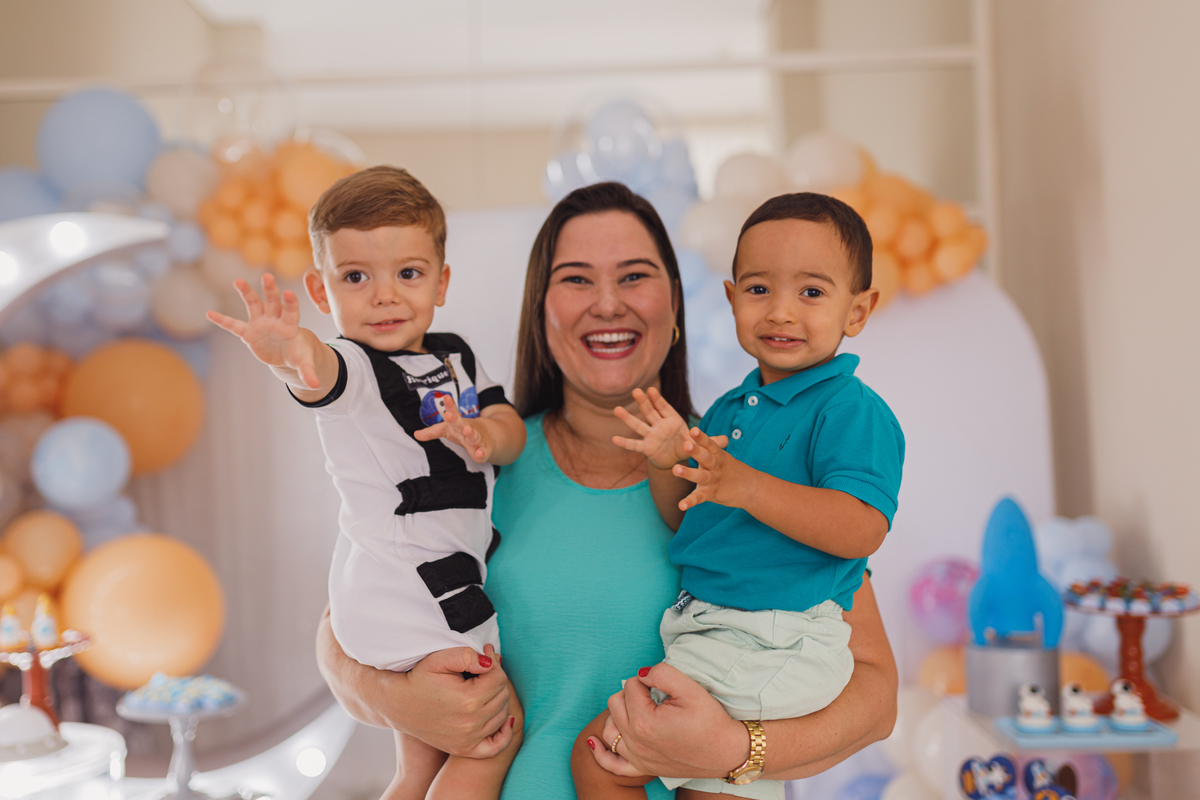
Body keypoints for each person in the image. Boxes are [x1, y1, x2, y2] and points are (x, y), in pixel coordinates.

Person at [315, 182, 901, 799]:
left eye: (634, 276)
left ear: (676, 304)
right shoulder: (478, 451)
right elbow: (340, 626)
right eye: (575, 279)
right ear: (541, 310)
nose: (607, 304)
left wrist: (738, 750)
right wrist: (398, 700)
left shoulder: (739, 468)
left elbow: (875, 693)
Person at [207, 166, 526, 800]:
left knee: (418, 767)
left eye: (407, 273)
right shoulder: (355, 366)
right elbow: (320, 376)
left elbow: (509, 425)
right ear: (322, 292)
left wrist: (486, 433)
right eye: (356, 277)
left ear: (441, 280)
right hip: (416, 587)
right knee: (495, 729)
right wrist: (292, 353)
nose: (383, 296)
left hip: (400, 580)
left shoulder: (455, 355)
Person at [576, 193, 904, 800]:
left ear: (857, 311)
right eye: (758, 290)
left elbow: (862, 529)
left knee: (606, 755)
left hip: (774, 635)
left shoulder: (849, 410)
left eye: (811, 292)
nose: (781, 311)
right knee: (608, 758)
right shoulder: (731, 408)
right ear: (730, 299)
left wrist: (743, 483)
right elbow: (688, 518)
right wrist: (666, 459)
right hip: (716, 632)